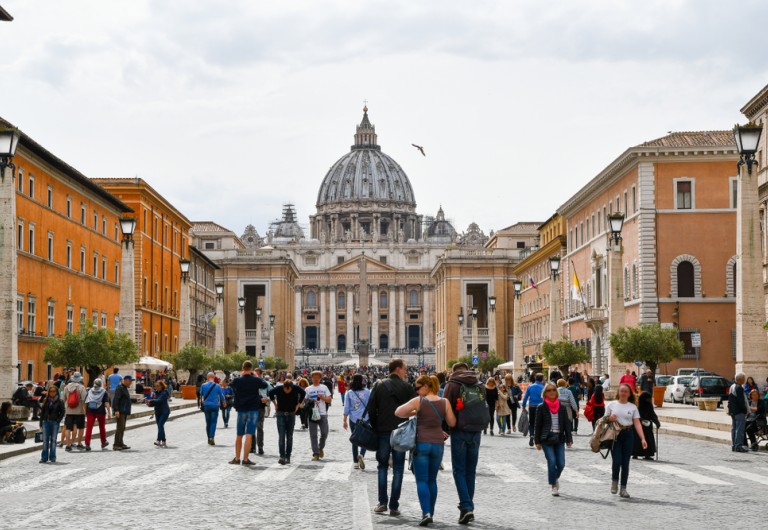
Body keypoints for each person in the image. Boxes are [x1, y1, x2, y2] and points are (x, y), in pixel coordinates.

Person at [395, 375, 457, 527]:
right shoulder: (445, 401)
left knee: (421, 480)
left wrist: (413, 412)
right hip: (437, 444)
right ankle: (431, 512)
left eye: (418, 387)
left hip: (421, 443)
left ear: (426, 387)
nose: (416, 390)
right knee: (432, 480)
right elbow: (452, 422)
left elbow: (398, 412)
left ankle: (426, 513)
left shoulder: (419, 401)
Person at [368, 358, 417, 517]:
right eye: (404, 369)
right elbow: (416, 407)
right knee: (398, 469)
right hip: (401, 431)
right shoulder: (407, 387)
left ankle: (382, 503)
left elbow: (371, 409)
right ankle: (394, 506)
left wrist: (376, 427)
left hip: (382, 431)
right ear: (397, 369)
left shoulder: (379, 385)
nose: (406, 372)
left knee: (382, 466)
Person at [443, 362, 487, 525]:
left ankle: (467, 507)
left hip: (459, 430)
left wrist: (445, 430)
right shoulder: (479, 383)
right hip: (476, 431)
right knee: (470, 471)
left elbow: (445, 407)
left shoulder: (452, 385)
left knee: (459, 470)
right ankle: (467, 507)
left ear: (454, 372)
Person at [605, 383, 648, 498]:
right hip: (615, 435)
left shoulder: (633, 407)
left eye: (626, 391)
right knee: (617, 460)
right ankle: (614, 480)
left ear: (629, 394)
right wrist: (609, 418)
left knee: (626, 463)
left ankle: (623, 488)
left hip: (628, 434)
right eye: (622, 391)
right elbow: (604, 421)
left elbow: (637, 423)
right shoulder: (611, 405)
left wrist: (643, 438)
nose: (623, 393)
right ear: (618, 392)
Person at [535, 383, 573, 496]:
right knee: (551, 461)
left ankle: (555, 477)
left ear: (556, 392)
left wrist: (569, 439)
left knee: (561, 463)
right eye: (549, 390)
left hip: (559, 437)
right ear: (545, 393)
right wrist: (537, 441)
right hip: (546, 438)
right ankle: (553, 486)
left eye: (553, 390)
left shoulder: (561, 407)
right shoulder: (541, 407)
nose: (551, 392)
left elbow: (566, 424)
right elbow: (537, 425)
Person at [229, 360, 269, 466]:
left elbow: (231, 385)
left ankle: (237, 458)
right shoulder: (256, 380)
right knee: (249, 435)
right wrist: (256, 376)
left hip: (241, 410)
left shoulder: (238, 380)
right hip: (253, 409)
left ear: (242, 368)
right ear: (251, 369)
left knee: (239, 435)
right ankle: (245, 459)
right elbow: (265, 385)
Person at [268, 373, 305, 465]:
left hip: (292, 414)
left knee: (289, 436)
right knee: (281, 436)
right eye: (285, 389)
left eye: (289, 390)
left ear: (292, 388)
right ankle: (282, 456)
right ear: (283, 387)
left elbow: (303, 393)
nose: (287, 391)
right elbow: (270, 393)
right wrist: (275, 404)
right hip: (280, 414)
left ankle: (288, 456)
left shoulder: (296, 388)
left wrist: (298, 404)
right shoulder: (279, 388)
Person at [343, 373, 371, 469]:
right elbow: (371, 404)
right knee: (365, 439)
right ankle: (362, 454)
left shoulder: (349, 393)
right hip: (365, 418)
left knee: (354, 439)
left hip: (353, 419)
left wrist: (344, 420)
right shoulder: (367, 392)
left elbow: (346, 407)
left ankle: (355, 462)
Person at [305, 371, 333, 461]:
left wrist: (322, 398)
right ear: (311, 378)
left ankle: (320, 447)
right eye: (314, 377)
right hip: (312, 413)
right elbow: (304, 401)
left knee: (324, 433)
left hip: (322, 413)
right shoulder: (308, 389)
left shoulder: (324, 387)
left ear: (320, 378)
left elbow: (329, 400)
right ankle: (316, 453)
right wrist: (311, 401)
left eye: (317, 377)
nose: (316, 379)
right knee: (313, 435)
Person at [38, 385, 65, 463]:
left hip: (54, 423)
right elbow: (42, 413)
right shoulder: (46, 400)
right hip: (45, 422)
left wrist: (58, 420)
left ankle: (53, 457)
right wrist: (41, 423)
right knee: (45, 440)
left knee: (53, 440)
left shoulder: (60, 401)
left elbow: (63, 412)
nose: (52, 393)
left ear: (57, 392)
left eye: (54, 391)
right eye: (50, 391)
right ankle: (44, 458)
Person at [83, 378, 111, 451]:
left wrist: (85, 411)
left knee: (89, 427)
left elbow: (86, 402)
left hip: (90, 410)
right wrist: (109, 413)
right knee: (102, 427)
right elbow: (106, 403)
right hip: (100, 411)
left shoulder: (90, 391)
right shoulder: (103, 391)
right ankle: (103, 442)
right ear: (101, 384)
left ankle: (87, 443)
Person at [62, 372, 87, 451]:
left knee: (68, 428)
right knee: (81, 428)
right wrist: (85, 411)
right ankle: (79, 443)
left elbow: (63, 399)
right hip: (79, 411)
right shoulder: (81, 387)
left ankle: (68, 445)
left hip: (69, 411)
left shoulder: (66, 387)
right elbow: (84, 400)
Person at [632, 391, 660, 460]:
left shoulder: (649, 405)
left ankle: (647, 454)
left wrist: (656, 422)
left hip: (647, 426)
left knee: (648, 440)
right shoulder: (638, 405)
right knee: (637, 440)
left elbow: (652, 414)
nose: (648, 400)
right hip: (638, 425)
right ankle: (635, 453)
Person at [200, 372, 225, 446]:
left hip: (207, 406)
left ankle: (209, 438)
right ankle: (211, 437)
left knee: (208, 422)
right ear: (214, 377)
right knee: (213, 422)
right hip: (215, 406)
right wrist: (224, 402)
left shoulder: (203, 385)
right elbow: (221, 395)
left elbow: (201, 394)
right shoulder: (217, 386)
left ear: (207, 378)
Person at [728, 372, 750, 453]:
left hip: (733, 411)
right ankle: (738, 446)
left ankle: (734, 445)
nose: (744, 380)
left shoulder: (732, 386)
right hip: (739, 411)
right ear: (740, 379)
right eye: (744, 378)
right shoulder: (739, 388)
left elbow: (730, 400)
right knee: (739, 429)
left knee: (734, 429)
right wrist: (745, 411)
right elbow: (741, 402)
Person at [522, 373, 545, 447]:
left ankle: (532, 435)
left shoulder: (530, 387)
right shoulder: (543, 387)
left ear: (535, 379)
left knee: (531, 422)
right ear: (542, 379)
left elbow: (525, 397)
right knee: (540, 423)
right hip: (541, 407)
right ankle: (538, 438)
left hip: (532, 406)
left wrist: (523, 406)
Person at [112, 375, 134, 450]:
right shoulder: (120, 388)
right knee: (120, 427)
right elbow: (116, 400)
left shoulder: (124, 388)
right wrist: (116, 410)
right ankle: (116, 444)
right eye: (130, 381)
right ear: (125, 380)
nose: (131, 382)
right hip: (120, 411)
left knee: (122, 427)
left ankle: (120, 442)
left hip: (124, 411)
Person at [147, 380, 171, 447]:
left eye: (158, 386)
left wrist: (151, 401)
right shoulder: (155, 393)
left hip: (164, 411)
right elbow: (156, 403)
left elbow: (159, 400)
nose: (156, 387)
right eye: (155, 386)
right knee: (160, 426)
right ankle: (163, 441)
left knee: (160, 425)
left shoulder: (164, 393)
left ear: (162, 386)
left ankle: (158, 440)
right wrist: (149, 404)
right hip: (157, 411)